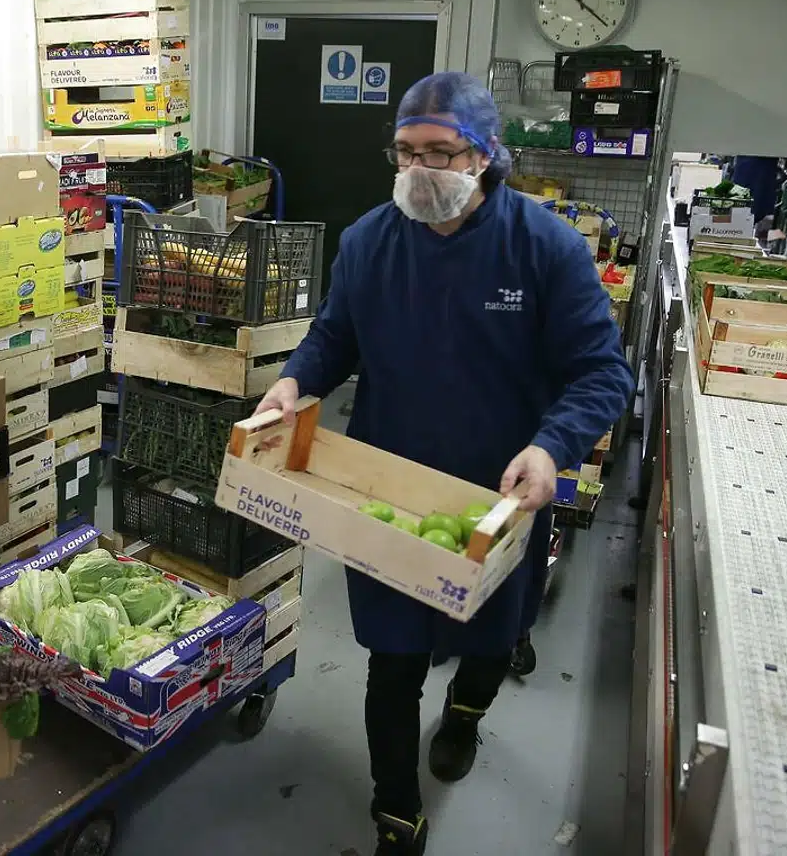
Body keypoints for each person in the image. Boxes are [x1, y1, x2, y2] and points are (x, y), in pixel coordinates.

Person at [254, 72, 634, 856]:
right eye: (404, 152)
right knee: (391, 663)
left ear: (487, 153)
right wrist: (293, 383)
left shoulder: (545, 247)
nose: (419, 170)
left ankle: (465, 712)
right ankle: (396, 808)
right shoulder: (368, 243)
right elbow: (334, 340)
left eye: (440, 152)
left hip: (503, 494)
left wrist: (550, 446)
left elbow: (602, 373)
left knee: (494, 636)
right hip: (388, 491)